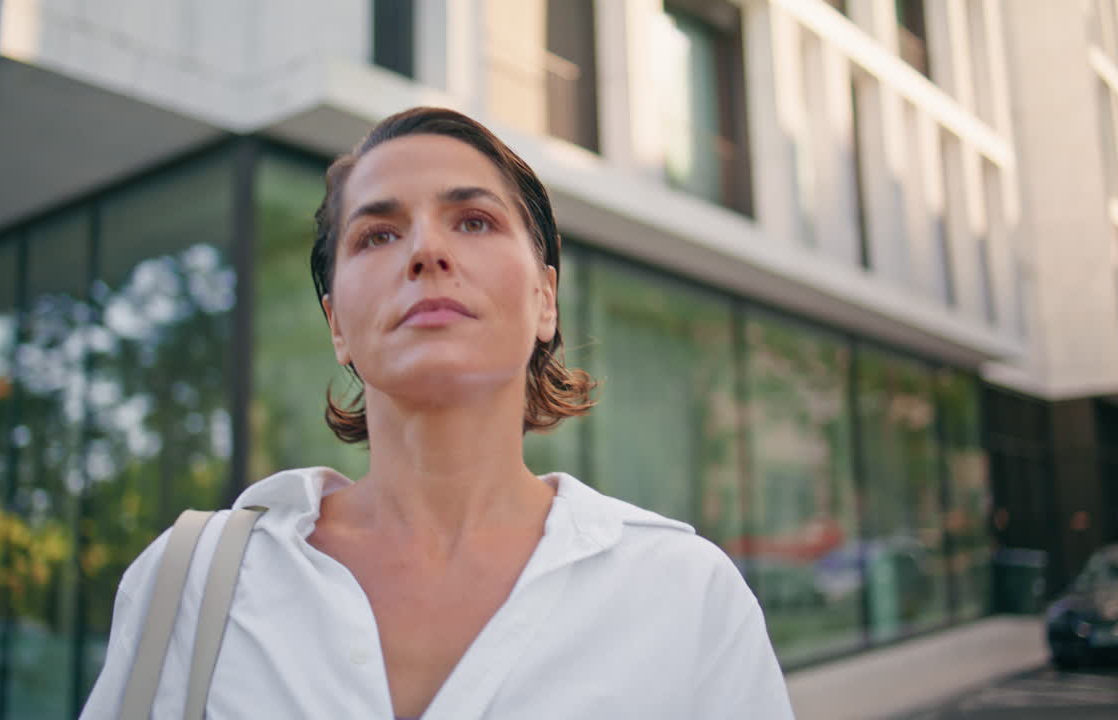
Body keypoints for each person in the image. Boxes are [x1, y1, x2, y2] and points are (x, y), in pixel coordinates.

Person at [80, 107, 794, 719]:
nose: (426, 250)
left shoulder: (686, 592)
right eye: (377, 235)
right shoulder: (194, 581)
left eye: (474, 221)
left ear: (545, 300)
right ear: (337, 325)